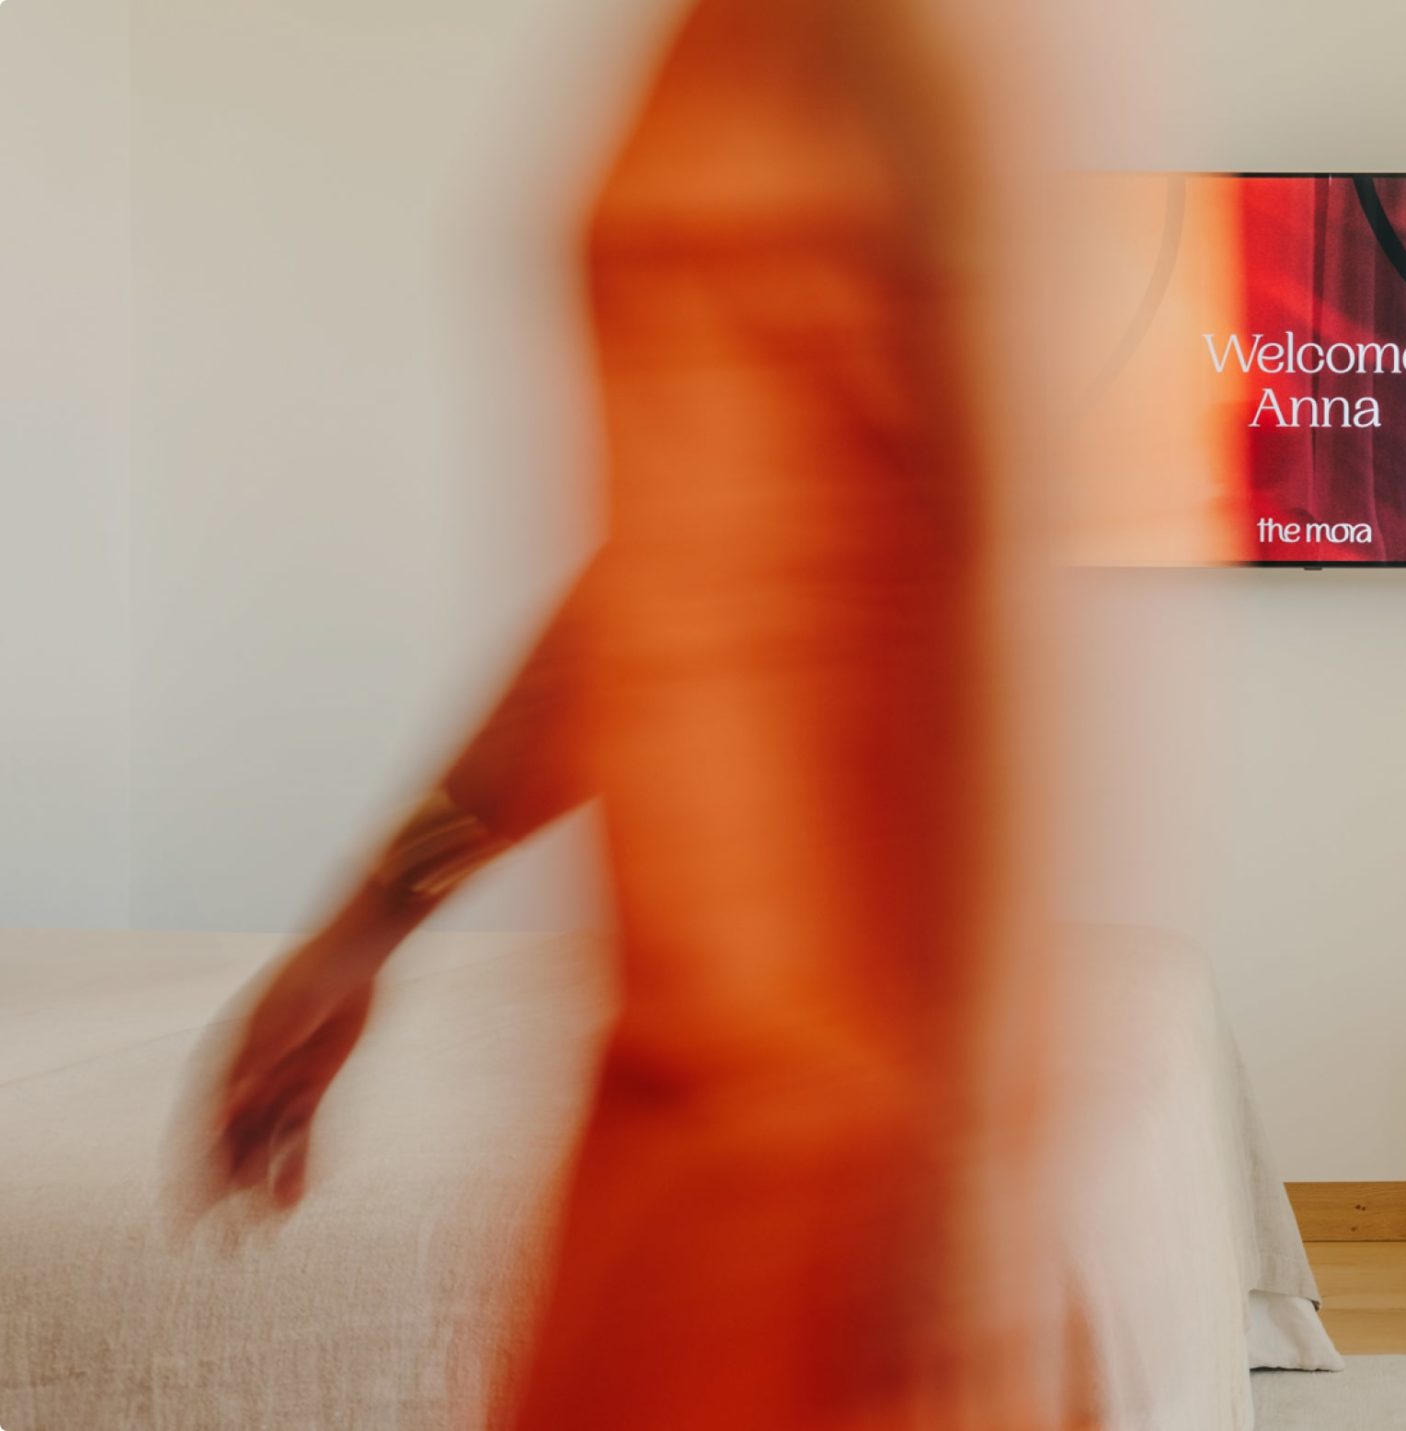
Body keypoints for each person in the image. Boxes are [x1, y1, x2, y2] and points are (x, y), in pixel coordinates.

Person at [195, 0, 1066, 1423]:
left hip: (845, 1097)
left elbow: (1014, 582)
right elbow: (662, 588)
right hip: (677, 1052)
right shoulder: (704, 36)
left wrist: (967, 1159)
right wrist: (367, 922)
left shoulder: (913, 33)